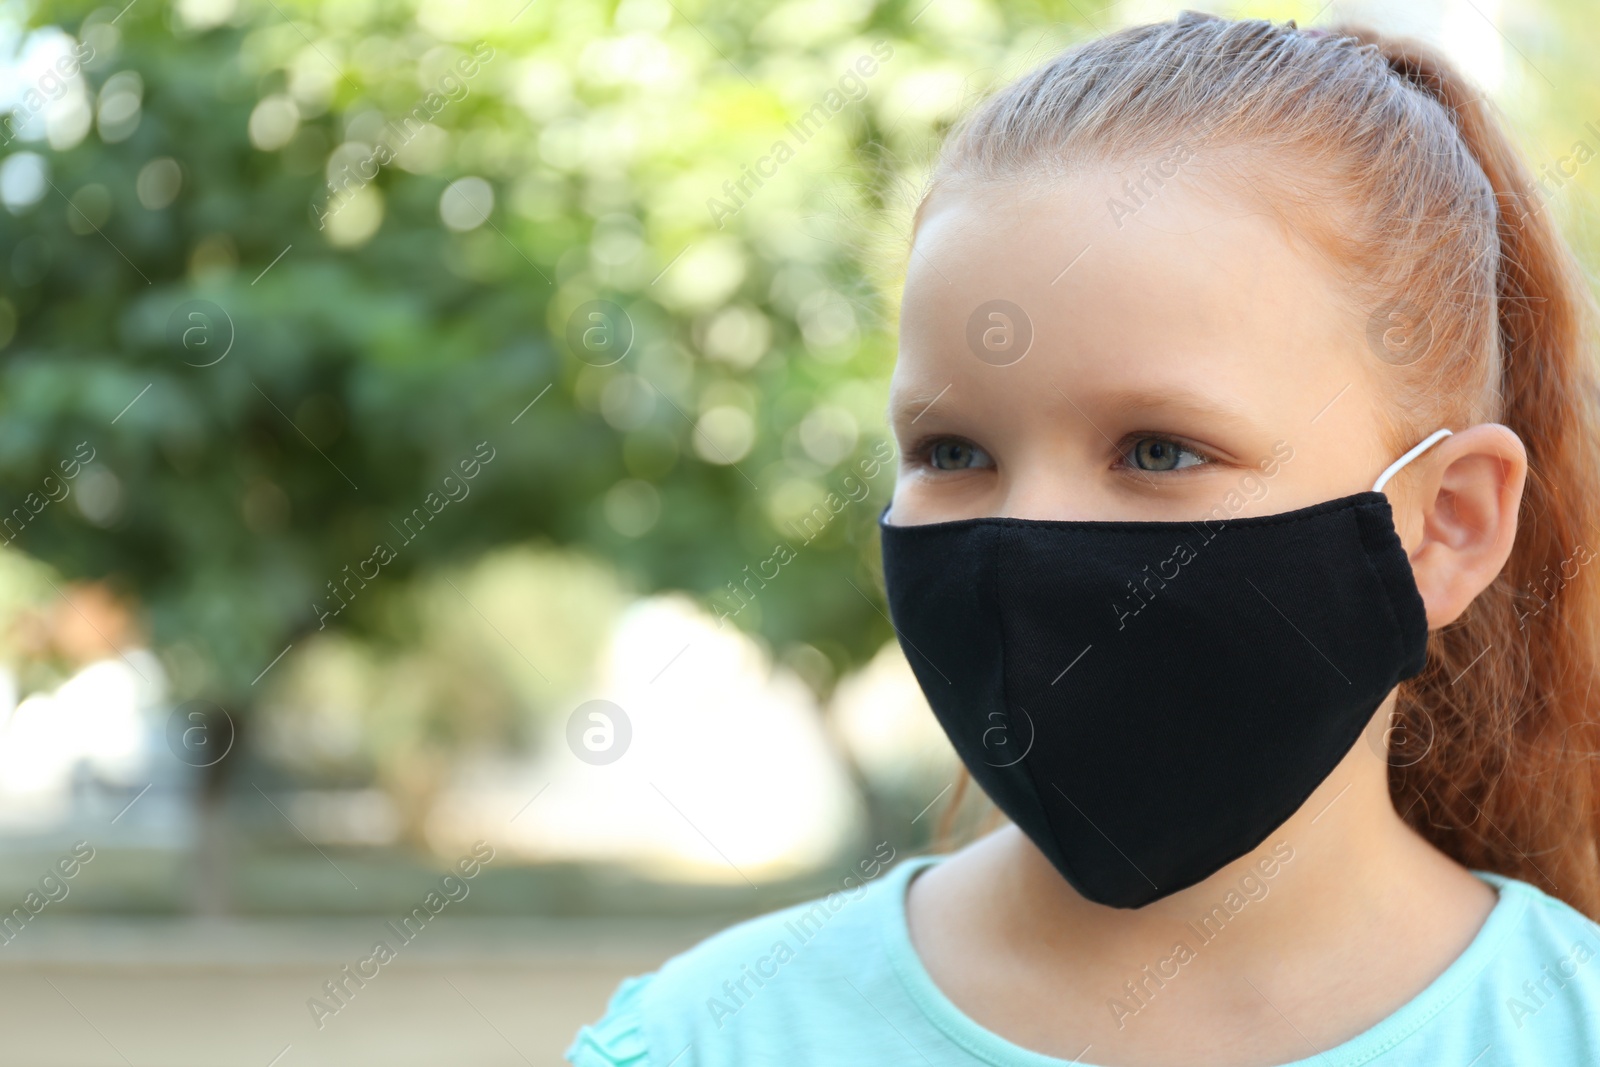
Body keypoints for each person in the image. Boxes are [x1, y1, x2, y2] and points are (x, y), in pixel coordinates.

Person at [567, 13, 1600, 1065]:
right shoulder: (711, 1035)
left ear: (1445, 523)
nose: (1025, 539)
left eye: (1157, 450)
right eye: (953, 450)